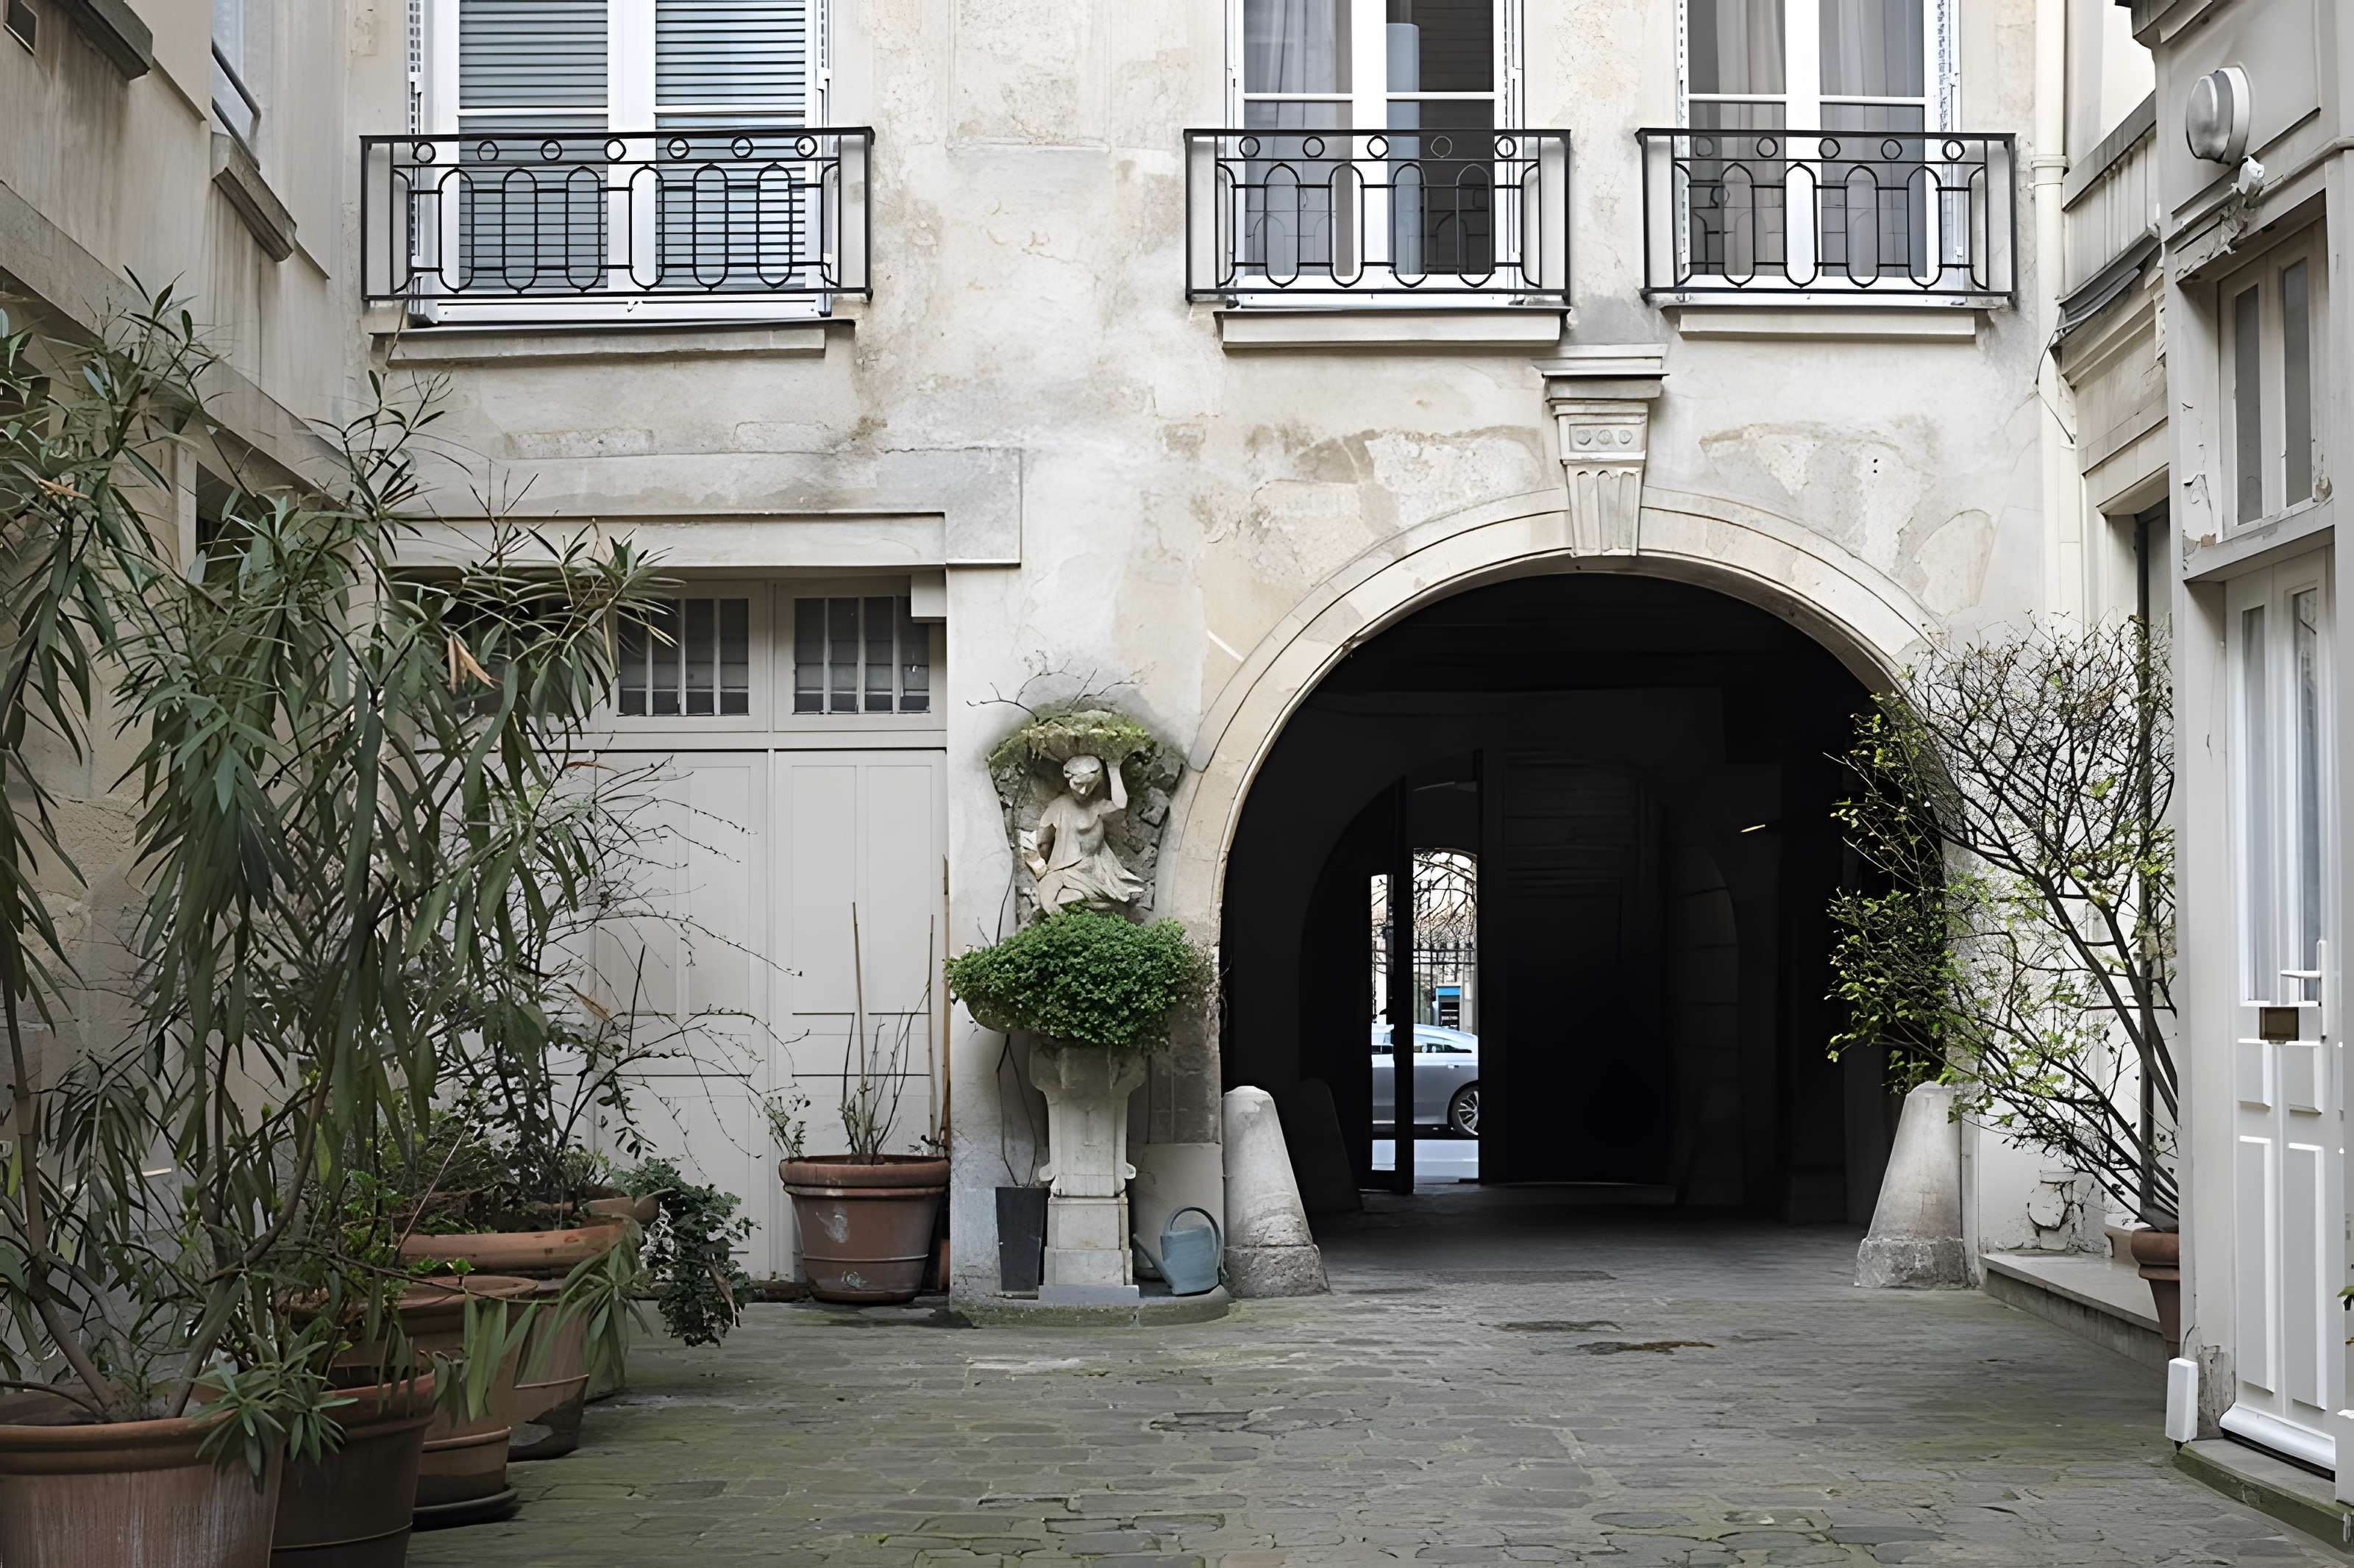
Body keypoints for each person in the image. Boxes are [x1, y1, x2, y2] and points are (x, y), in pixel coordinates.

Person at [1028, 754, 1145, 916]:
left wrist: (1113, 768)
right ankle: (1064, 925)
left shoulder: (1097, 805)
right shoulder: (1059, 806)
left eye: (1089, 785)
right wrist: (1044, 866)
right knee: (1048, 898)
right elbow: (1042, 842)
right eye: (1078, 784)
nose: (1084, 791)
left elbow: (1121, 804)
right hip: (1062, 869)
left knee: (1074, 899)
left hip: (1094, 871)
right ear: (1069, 779)